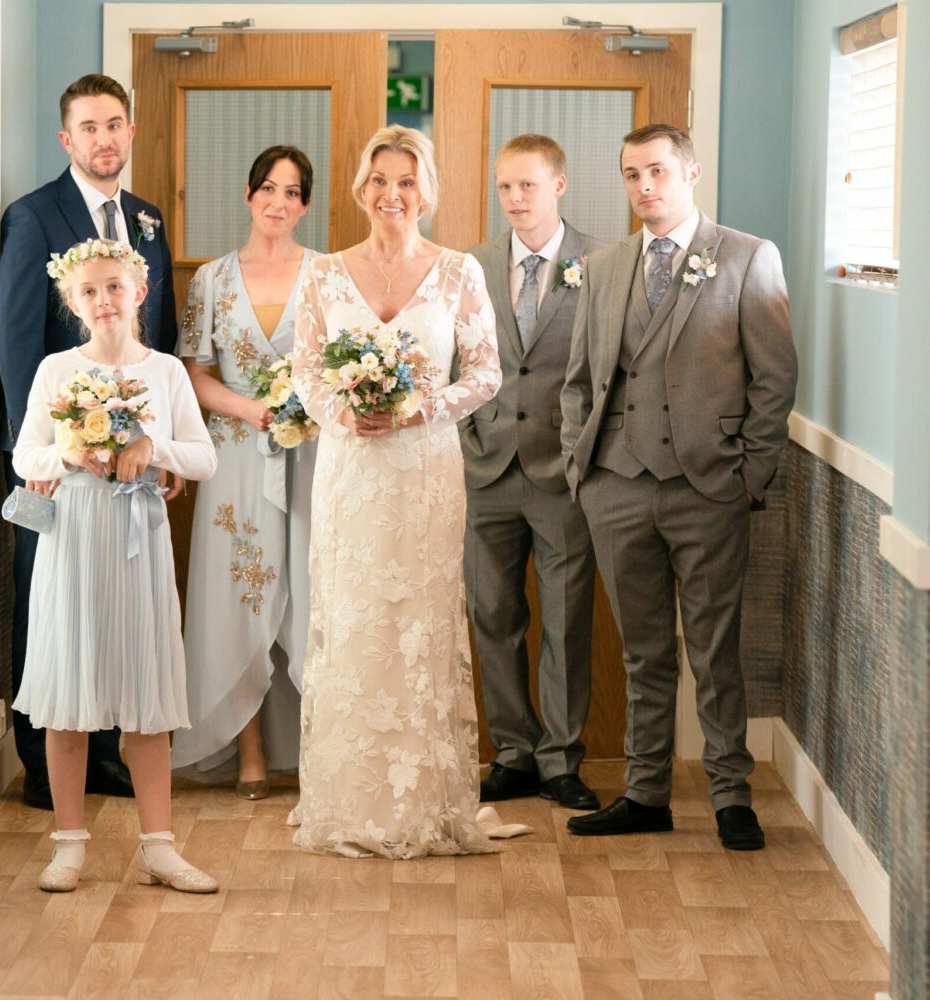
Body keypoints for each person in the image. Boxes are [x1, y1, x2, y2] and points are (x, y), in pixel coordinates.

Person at [561, 123, 797, 851]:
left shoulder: (748, 257)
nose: (644, 188)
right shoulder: (602, 269)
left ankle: (731, 796)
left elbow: (774, 379)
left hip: (709, 489)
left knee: (715, 650)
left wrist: (748, 477)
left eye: (658, 172)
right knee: (643, 650)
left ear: (690, 174)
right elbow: (580, 382)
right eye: (632, 175)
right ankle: (645, 791)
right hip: (617, 488)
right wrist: (584, 468)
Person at [288, 126, 507, 858]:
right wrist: (343, 409)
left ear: (427, 189)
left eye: (407, 181)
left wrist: (416, 408)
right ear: (360, 186)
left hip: (424, 473)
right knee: (353, 619)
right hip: (351, 472)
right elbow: (306, 371)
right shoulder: (322, 274)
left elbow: (484, 374)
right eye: (380, 179)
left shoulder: (459, 272)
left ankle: (422, 803)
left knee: (418, 623)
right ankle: (348, 802)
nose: (392, 194)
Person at [0, 73, 179, 809]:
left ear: (131, 132)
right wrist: (34, 455)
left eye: (114, 125)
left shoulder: (147, 219)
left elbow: (155, 340)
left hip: (131, 464)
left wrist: (154, 442)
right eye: (89, 127)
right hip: (56, 463)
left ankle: (105, 753)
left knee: (115, 603)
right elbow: (16, 342)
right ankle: (42, 761)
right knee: (47, 598)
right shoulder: (34, 217)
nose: (104, 139)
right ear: (67, 139)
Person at [12, 238, 219, 892]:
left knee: (147, 700)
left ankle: (159, 845)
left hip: (139, 538)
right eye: (90, 292)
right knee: (68, 696)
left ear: (140, 291)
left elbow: (203, 456)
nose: (104, 301)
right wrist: (69, 454)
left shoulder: (166, 372)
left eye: (114, 287)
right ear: (74, 302)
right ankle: (69, 845)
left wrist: (155, 447)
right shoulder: (55, 371)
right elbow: (26, 459)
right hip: (73, 540)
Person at [170, 146, 321, 798]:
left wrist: (299, 408)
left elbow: (339, 368)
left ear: (305, 205)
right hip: (232, 457)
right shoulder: (210, 280)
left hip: (310, 457)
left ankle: (322, 752)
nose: (278, 202)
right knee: (240, 600)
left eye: (291, 192)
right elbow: (194, 372)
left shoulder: (326, 277)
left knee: (315, 598)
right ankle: (249, 750)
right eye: (268, 188)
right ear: (248, 194)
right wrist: (253, 410)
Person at [461, 135, 604, 811]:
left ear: (560, 186)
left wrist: (585, 458)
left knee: (568, 620)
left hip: (564, 473)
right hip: (484, 469)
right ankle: (513, 754)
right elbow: (449, 358)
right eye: (505, 188)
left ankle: (561, 761)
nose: (515, 200)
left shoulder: (600, 262)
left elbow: (610, 370)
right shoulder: (474, 264)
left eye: (528, 186)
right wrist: (465, 438)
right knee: (492, 614)